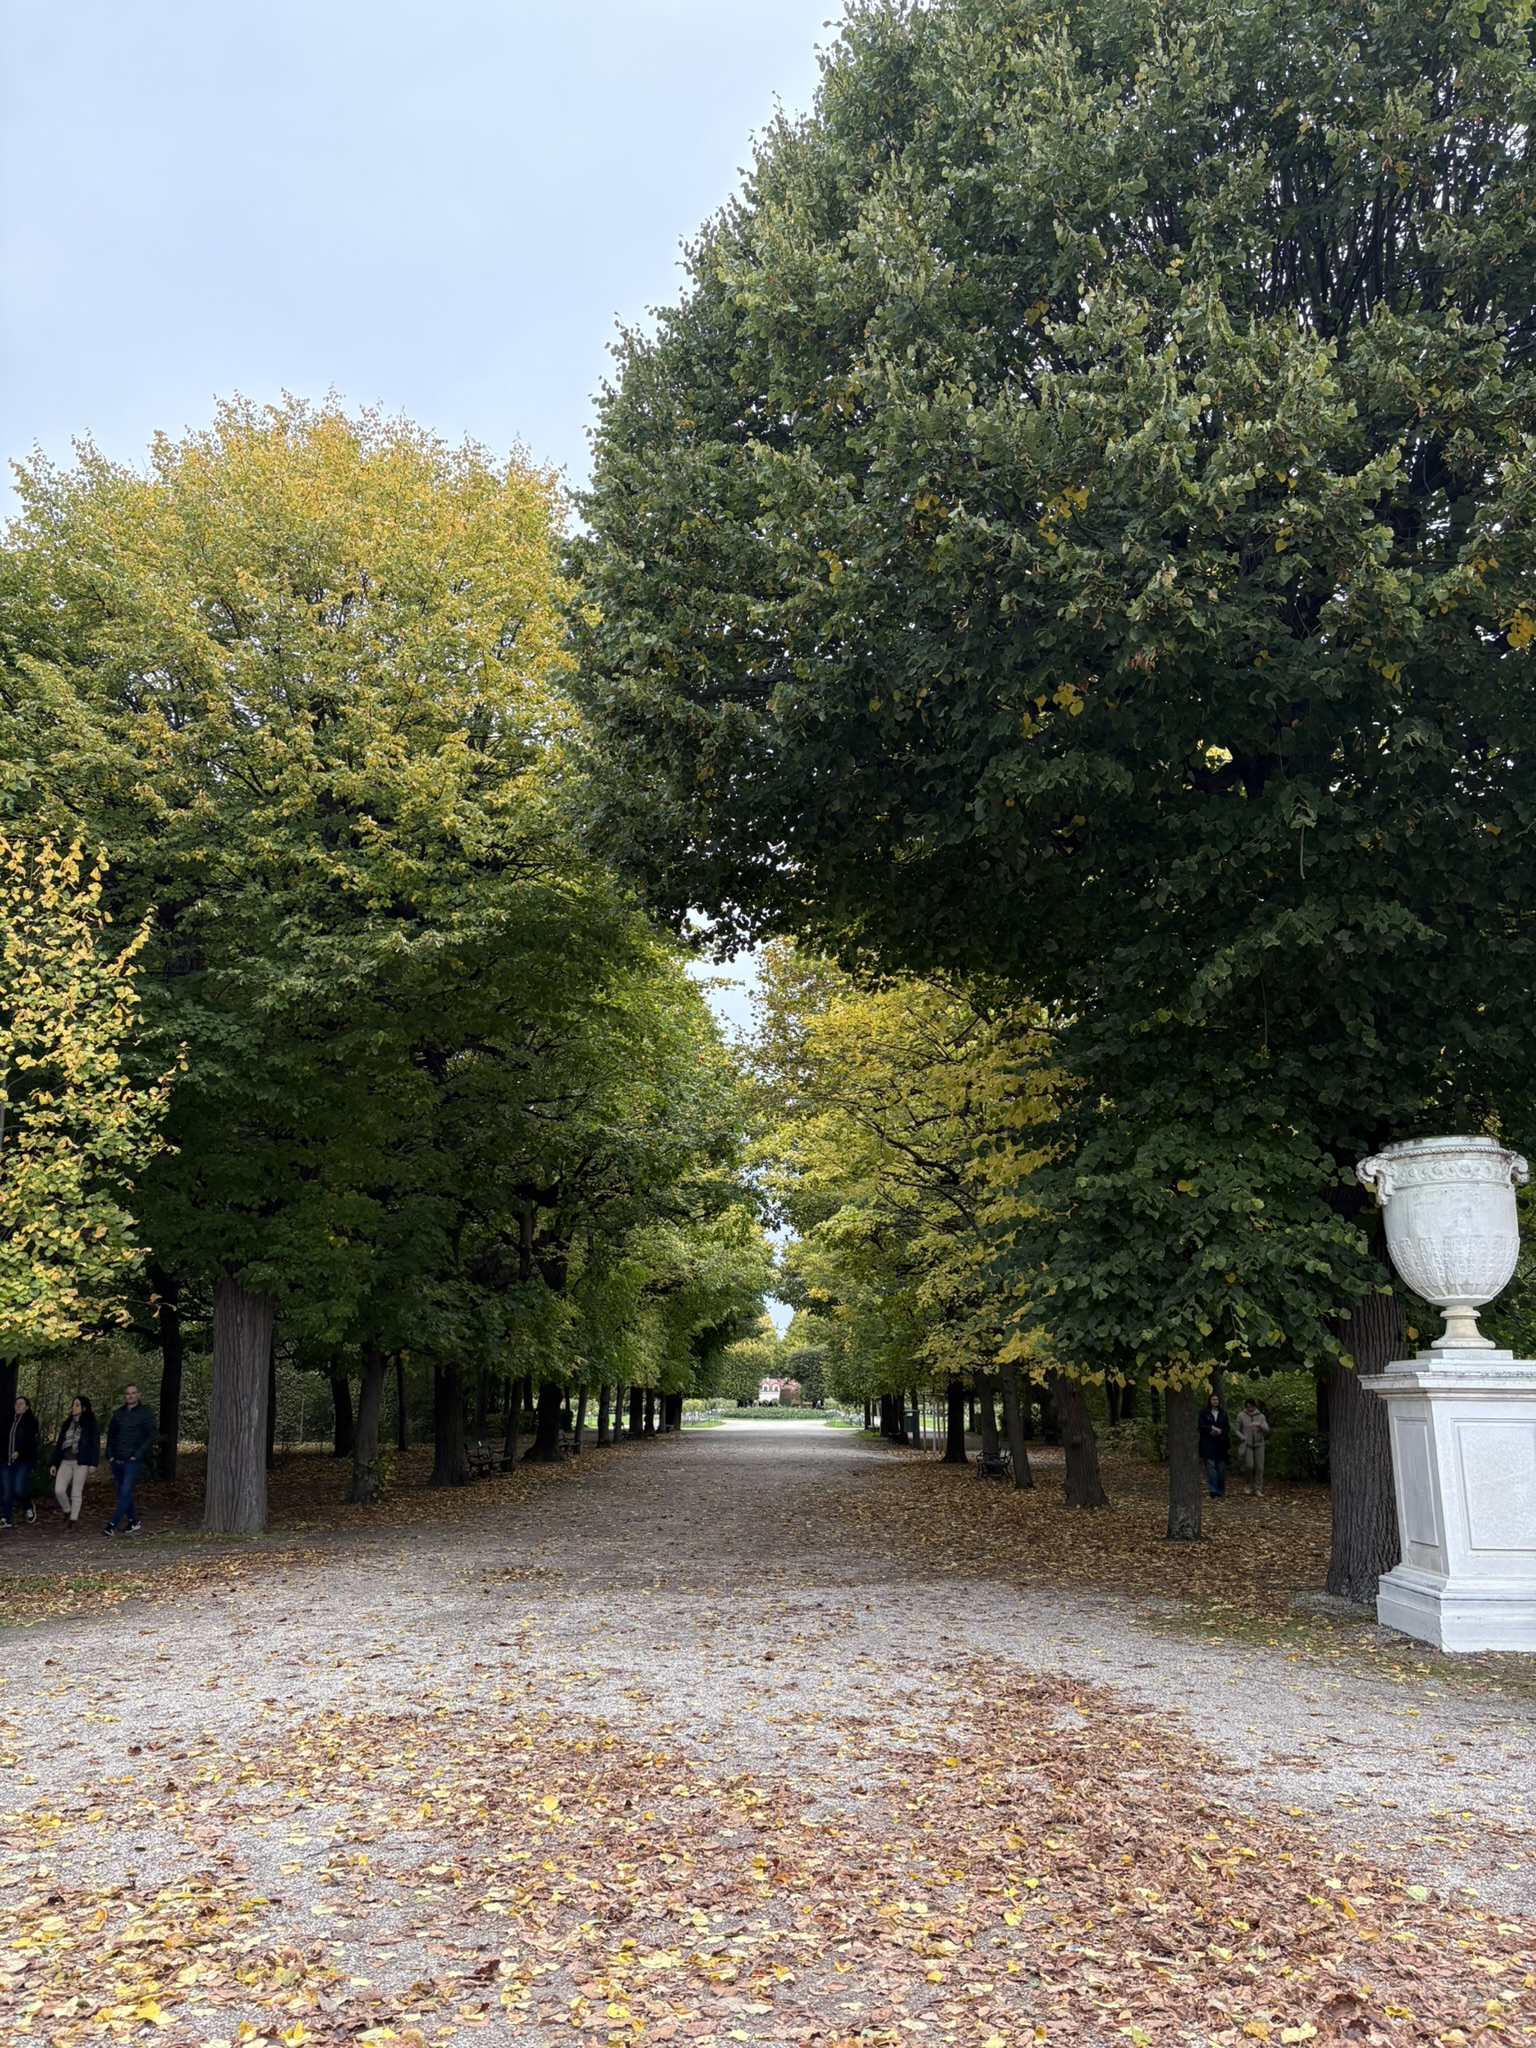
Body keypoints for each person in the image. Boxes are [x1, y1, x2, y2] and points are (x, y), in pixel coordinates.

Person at [104, 1384, 156, 1536]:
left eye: (133, 1393)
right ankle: (134, 1520)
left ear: (138, 1395)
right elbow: (111, 1434)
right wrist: (110, 1454)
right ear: (125, 1396)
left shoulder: (145, 1414)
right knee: (121, 1492)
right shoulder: (119, 1413)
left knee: (125, 1490)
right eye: (127, 1393)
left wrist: (138, 1453)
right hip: (117, 1458)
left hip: (132, 1460)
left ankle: (112, 1525)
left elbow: (151, 1434)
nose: (130, 1396)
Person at [50, 1396, 100, 1532]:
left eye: (77, 1405)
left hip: (81, 1461)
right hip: (65, 1460)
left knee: (76, 1492)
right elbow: (60, 1444)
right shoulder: (67, 1424)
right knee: (59, 1490)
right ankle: (67, 1511)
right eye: (73, 1405)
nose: (74, 1407)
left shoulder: (90, 1424)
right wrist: (54, 1463)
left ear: (84, 1408)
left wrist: (93, 1463)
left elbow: (94, 1444)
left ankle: (73, 1520)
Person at [1, 1395, 40, 1529]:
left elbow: (30, 1442)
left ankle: (28, 1506)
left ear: (27, 1407)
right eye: (16, 1404)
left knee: (18, 1488)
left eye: (21, 1404)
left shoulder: (31, 1422)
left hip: (23, 1461)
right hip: (5, 1461)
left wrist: (19, 1452)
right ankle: (6, 1518)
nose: (18, 1406)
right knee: (7, 1490)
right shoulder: (7, 1420)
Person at [1233, 1397, 1271, 1498]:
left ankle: (1258, 1488)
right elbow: (1236, 1430)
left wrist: (1260, 1425)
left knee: (1260, 1468)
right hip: (1247, 1444)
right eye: (1248, 1406)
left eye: (1252, 1406)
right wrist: (1242, 1437)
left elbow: (1267, 1430)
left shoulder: (1261, 1416)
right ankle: (1247, 1484)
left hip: (1259, 1444)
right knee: (1249, 1465)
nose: (1250, 1408)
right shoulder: (1241, 1415)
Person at [1197, 1389, 1231, 1500]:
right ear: (1209, 1401)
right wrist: (1211, 1428)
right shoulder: (1204, 1413)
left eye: (1217, 1399)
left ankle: (1220, 1490)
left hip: (1221, 1444)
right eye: (1213, 1399)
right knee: (1210, 1467)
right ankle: (1213, 1490)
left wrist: (1221, 1431)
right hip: (1208, 1443)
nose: (1215, 1401)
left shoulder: (1223, 1413)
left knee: (1221, 1468)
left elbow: (1227, 1427)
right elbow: (1200, 1426)